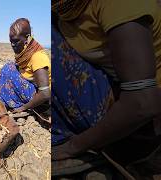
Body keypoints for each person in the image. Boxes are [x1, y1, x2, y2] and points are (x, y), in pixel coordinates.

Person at [51, 0, 161, 167]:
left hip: (139, 122)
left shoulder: (118, 4)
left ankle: (70, 140)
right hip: (114, 92)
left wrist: (73, 147)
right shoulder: (64, 7)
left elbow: (143, 103)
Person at [0, 18, 51, 112]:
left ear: (27, 38)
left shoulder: (38, 57)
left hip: (42, 102)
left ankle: (4, 103)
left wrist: (23, 108)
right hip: (33, 91)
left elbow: (45, 93)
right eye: (11, 42)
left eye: (16, 41)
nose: (13, 45)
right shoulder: (26, 54)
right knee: (10, 66)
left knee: (8, 70)